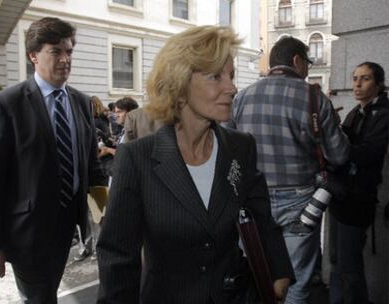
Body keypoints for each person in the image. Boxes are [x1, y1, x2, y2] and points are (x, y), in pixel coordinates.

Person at [97, 25, 295, 304]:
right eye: (216, 76)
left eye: (232, 75)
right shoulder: (136, 158)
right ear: (180, 83)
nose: (232, 87)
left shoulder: (241, 148)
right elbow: (117, 258)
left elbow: (262, 219)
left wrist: (279, 272)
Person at [0, 17, 105, 303]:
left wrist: (105, 214)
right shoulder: (6, 104)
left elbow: (93, 170)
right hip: (27, 233)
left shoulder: (82, 102)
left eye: (69, 51)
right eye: (56, 51)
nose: (65, 59)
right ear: (33, 55)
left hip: (68, 227)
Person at [227, 36, 350, 304]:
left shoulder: (242, 98)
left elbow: (227, 150)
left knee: (253, 274)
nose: (308, 67)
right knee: (297, 280)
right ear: (296, 61)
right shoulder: (314, 98)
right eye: (307, 61)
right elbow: (339, 155)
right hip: (301, 201)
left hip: (252, 201)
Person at [328, 62, 389, 304]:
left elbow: (368, 153)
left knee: (349, 265)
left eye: (364, 79)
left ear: (379, 83)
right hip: (340, 195)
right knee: (336, 259)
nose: (356, 84)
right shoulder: (357, 111)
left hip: (357, 200)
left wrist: (338, 139)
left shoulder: (384, 114)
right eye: (355, 78)